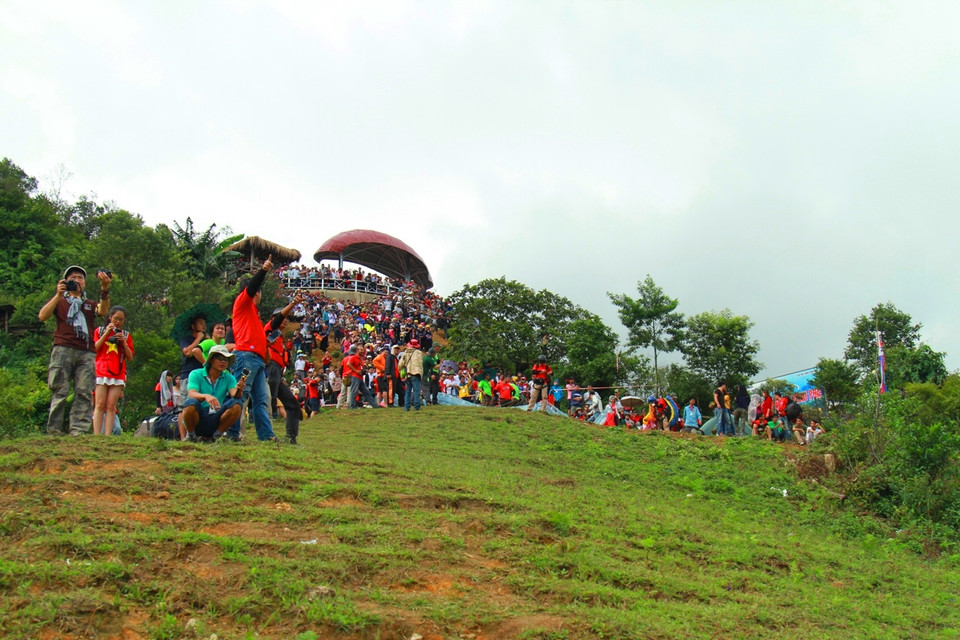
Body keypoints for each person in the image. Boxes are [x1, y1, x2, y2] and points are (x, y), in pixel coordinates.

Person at [38, 265, 113, 436]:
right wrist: (57, 295)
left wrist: (105, 288)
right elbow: (42, 316)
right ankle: (54, 430)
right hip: (62, 348)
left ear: (85, 283)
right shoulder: (60, 301)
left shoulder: (89, 304)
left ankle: (78, 430)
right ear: (65, 282)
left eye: (80, 278)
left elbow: (102, 310)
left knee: (84, 392)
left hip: (86, 351)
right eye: (72, 278)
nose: (76, 280)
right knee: (59, 390)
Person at [229, 255, 279, 442]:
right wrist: (263, 270)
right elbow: (251, 287)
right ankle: (232, 434)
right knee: (240, 395)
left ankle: (266, 436)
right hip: (245, 357)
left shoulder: (253, 315)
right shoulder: (242, 302)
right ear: (256, 292)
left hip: (257, 360)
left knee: (261, 400)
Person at [181, 345, 246, 442]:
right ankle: (191, 435)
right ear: (211, 360)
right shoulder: (196, 374)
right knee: (191, 404)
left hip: (216, 416)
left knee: (237, 404)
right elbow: (192, 394)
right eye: (219, 358)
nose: (223, 361)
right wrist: (205, 396)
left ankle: (217, 435)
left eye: (226, 359)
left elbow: (235, 395)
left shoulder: (229, 377)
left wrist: (239, 389)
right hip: (199, 416)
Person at [264, 295, 305, 444]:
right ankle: (266, 436)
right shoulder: (270, 328)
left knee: (293, 405)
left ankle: (290, 438)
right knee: (269, 403)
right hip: (269, 369)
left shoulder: (280, 337)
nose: (286, 320)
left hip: (277, 371)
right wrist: (293, 303)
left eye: (288, 318)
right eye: (283, 317)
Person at [92, 305, 134, 436]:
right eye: (115, 318)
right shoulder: (99, 331)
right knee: (99, 404)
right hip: (101, 371)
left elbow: (130, 357)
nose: (118, 322)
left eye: (121, 319)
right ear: (110, 317)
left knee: (111, 405)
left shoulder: (126, 335)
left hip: (118, 373)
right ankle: (97, 434)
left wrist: (124, 343)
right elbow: (94, 348)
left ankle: (108, 435)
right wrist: (106, 333)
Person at [399, 339, 425, 411]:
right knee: (416, 390)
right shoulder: (419, 353)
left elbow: (400, 364)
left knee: (408, 391)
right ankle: (417, 406)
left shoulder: (405, 352)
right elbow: (420, 364)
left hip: (408, 373)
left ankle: (406, 406)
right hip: (416, 373)